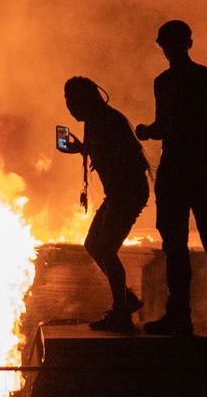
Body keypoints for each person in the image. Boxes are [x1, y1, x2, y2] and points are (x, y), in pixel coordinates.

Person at [134, 19, 207, 335]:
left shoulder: (165, 82)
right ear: (189, 43)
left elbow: (165, 126)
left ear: (168, 46)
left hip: (177, 170)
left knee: (176, 244)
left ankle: (180, 315)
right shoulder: (206, 78)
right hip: (200, 171)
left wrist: (145, 131)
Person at [62, 75, 151, 332]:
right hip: (118, 194)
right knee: (93, 244)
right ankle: (127, 299)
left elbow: (121, 156)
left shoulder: (110, 120)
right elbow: (104, 151)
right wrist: (82, 149)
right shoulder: (95, 121)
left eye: (72, 101)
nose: (70, 107)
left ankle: (121, 313)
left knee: (107, 249)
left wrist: (88, 150)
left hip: (127, 193)